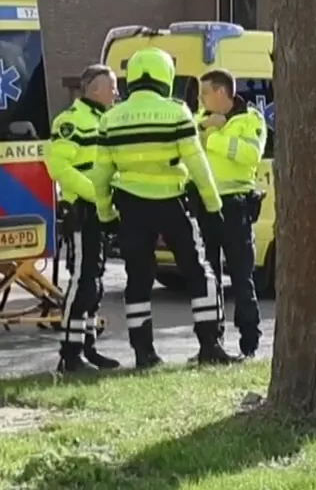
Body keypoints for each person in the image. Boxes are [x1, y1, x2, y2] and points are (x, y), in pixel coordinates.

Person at [89, 47, 229, 368]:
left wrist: (106, 213)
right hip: (172, 203)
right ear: (165, 76)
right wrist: (213, 205)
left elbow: (100, 176)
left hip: (131, 207)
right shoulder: (177, 113)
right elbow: (198, 166)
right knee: (198, 273)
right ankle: (209, 345)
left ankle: (144, 354)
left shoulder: (111, 119)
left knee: (138, 280)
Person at [46, 64, 124, 372]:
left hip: (102, 211)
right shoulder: (70, 121)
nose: (117, 93)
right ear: (94, 90)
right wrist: (95, 193)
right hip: (83, 210)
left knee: (96, 282)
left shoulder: (108, 121)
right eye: (112, 87)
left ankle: (87, 346)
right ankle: (70, 353)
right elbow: (58, 167)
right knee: (82, 282)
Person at [193, 69, 267, 361]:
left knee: (241, 276)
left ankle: (249, 344)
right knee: (207, 276)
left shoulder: (250, 119)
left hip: (236, 207)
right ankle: (212, 343)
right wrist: (206, 128)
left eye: (204, 93)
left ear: (221, 93)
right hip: (206, 206)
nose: (200, 99)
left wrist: (214, 137)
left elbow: (250, 155)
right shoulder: (201, 120)